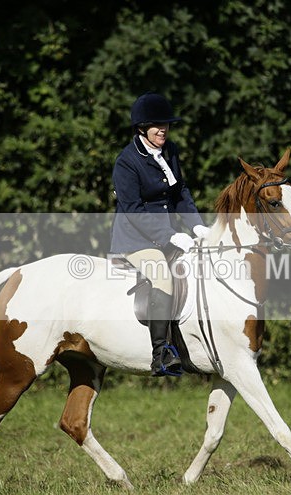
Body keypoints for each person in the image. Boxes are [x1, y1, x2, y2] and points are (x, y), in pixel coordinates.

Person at [110, 92, 209, 376]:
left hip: (168, 234)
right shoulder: (126, 162)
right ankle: (161, 354)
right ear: (142, 128)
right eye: (157, 125)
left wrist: (197, 226)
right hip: (136, 239)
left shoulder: (170, 150)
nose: (163, 130)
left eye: (166, 124)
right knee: (162, 274)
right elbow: (133, 209)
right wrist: (168, 236)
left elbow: (180, 193)